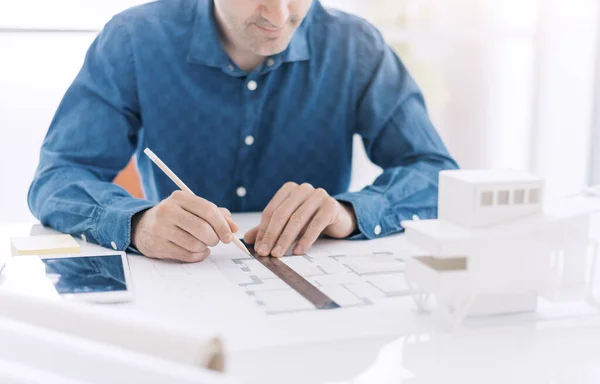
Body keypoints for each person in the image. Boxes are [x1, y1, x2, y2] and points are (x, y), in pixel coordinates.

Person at [28, 0, 458, 263]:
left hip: (310, 309)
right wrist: (137, 223)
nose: (279, 13)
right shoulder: (133, 40)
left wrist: (349, 213)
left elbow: (435, 174)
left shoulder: (356, 46)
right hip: (178, 306)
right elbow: (58, 177)